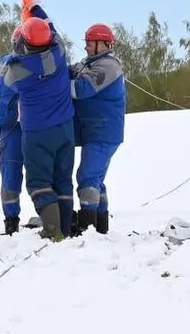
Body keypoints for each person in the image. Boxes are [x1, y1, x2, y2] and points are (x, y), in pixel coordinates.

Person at [0, 0, 76, 241]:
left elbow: (4, 71)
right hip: (65, 129)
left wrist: (16, 45)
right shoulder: (60, 53)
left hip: (37, 133)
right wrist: (33, 9)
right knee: (62, 181)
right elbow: (50, 29)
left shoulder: (18, 70)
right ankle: (65, 228)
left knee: (39, 183)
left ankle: (54, 232)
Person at [69, 23, 126, 235]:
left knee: (87, 176)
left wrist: (52, 89)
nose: (85, 47)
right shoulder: (90, 63)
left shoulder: (108, 67)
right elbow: (72, 71)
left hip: (103, 131)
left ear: (102, 44)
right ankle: (101, 228)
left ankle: (88, 226)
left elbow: (81, 89)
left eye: (89, 43)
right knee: (96, 180)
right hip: (97, 131)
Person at [0, 26, 24, 235]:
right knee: (10, 175)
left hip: (35, 127)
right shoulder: (7, 63)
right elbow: (5, 70)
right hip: (11, 127)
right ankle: (11, 221)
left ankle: (51, 217)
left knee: (42, 175)